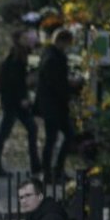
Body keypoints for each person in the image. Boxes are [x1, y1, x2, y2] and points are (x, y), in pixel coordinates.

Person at [0, 29, 39, 177]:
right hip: (14, 102)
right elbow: (15, 81)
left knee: (27, 129)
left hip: (12, 101)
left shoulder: (18, 55)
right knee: (8, 132)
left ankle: (35, 165)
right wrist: (22, 98)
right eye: (25, 38)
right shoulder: (17, 57)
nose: (28, 40)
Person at [36, 28, 79, 182]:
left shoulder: (51, 55)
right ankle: (51, 171)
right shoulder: (53, 58)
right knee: (56, 137)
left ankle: (53, 170)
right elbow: (56, 83)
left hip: (53, 104)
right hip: (54, 105)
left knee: (57, 137)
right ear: (61, 42)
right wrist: (70, 87)